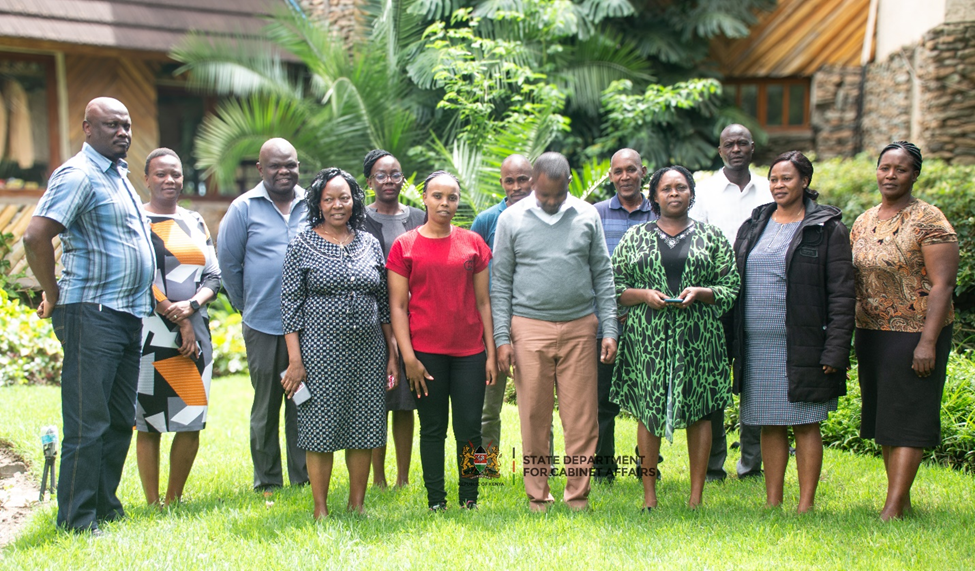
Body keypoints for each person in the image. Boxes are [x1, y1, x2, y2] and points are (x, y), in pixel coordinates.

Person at [23, 97, 155, 533]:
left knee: (119, 419)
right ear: (87, 128)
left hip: (126, 313)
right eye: (112, 125)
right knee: (88, 420)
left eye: (127, 125)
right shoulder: (78, 174)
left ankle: (104, 506)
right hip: (91, 313)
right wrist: (52, 290)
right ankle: (76, 520)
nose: (123, 132)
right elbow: (36, 235)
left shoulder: (119, 177)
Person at [491, 152, 618, 512]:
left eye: (557, 196)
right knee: (533, 416)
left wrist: (609, 328)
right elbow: (500, 282)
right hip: (529, 326)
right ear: (533, 183)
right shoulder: (511, 218)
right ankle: (538, 496)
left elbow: (602, 274)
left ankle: (577, 496)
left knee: (581, 418)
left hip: (580, 325)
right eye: (544, 195)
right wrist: (503, 338)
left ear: (567, 186)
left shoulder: (587, 215)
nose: (550, 203)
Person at [731, 151, 855, 512]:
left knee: (804, 422)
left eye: (787, 178)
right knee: (768, 422)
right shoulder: (756, 223)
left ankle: (805, 504)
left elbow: (843, 294)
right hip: (756, 342)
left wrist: (835, 349)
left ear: (805, 181)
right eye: (773, 179)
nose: (778, 185)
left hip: (802, 342)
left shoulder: (827, 227)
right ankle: (773, 501)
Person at [611, 165, 739, 510]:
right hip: (647, 338)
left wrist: (703, 292)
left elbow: (731, 286)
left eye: (680, 187)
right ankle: (649, 496)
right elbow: (613, 286)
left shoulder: (711, 237)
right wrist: (643, 295)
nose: (673, 193)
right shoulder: (635, 237)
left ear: (691, 194)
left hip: (697, 336)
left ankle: (696, 496)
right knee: (648, 411)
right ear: (654, 196)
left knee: (700, 411)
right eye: (666, 188)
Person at [280, 168, 398, 519]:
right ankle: (320, 508)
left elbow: (384, 305)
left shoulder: (369, 243)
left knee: (363, 426)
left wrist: (392, 354)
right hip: (318, 351)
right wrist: (295, 361)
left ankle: (356, 504)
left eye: (343, 197)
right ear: (318, 203)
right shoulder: (302, 243)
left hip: (368, 352)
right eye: (329, 199)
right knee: (319, 427)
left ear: (354, 200)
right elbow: (289, 305)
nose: (337, 205)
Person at [851, 141, 959, 521]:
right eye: (885, 167)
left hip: (916, 333)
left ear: (915, 174)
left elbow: (944, 285)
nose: (890, 175)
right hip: (872, 332)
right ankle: (902, 497)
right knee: (885, 417)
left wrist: (928, 342)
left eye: (900, 169)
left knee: (909, 415)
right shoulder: (864, 220)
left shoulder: (930, 220)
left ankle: (893, 506)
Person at [388, 171, 496, 511]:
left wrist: (491, 354)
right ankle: (436, 500)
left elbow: (484, 302)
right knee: (432, 429)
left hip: (470, 353)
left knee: (470, 431)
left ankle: (470, 498)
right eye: (437, 196)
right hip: (425, 356)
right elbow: (398, 306)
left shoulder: (473, 243)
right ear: (425, 198)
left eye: (451, 197)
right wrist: (408, 358)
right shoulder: (405, 245)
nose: (444, 203)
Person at [217, 137, 309, 492]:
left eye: (291, 165)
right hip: (263, 324)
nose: (284, 172)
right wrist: (248, 305)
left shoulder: (311, 205)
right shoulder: (243, 208)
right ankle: (268, 480)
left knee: (302, 399)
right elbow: (229, 264)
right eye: (275, 166)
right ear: (260, 169)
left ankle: (302, 477)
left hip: (305, 327)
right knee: (267, 404)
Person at [135, 149, 221, 506]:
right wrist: (176, 313)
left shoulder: (195, 220)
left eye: (175, 174)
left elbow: (214, 276)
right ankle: (152, 500)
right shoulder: (136, 219)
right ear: (147, 179)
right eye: (160, 174)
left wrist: (191, 307)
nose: (169, 181)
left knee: (191, 418)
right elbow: (137, 272)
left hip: (195, 332)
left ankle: (173, 499)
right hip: (150, 331)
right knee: (148, 422)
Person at [689, 124, 771, 481]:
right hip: (713, 299)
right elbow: (696, 244)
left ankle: (751, 463)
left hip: (760, 298)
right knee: (713, 380)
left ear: (752, 149)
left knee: (754, 379)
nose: (736, 149)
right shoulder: (704, 193)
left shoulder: (770, 190)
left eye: (742, 143)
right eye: (729, 145)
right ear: (720, 151)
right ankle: (713, 464)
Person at [360, 148, 425, 489]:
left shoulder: (418, 217)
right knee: (376, 400)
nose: (389, 181)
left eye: (395, 174)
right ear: (369, 182)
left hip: (414, 319)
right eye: (381, 176)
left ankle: (402, 477)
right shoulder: (359, 219)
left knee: (405, 402)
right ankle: (379, 478)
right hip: (372, 322)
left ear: (403, 178)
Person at [591, 148, 657, 483]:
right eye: (618, 171)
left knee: (650, 398)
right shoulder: (596, 214)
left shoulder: (659, 213)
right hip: (605, 322)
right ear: (611, 176)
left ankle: (648, 467)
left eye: (631, 170)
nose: (625, 177)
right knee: (602, 401)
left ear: (643, 171)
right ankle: (603, 470)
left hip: (651, 323)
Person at [472, 154, 533, 458]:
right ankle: (483, 468)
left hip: (534, 321)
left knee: (536, 404)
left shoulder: (545, 214)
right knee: (486, 404)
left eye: (523, 179)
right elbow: (470, 269)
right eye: (510, 180)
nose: (517, 186)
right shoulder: (486, 220)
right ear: (502, 183)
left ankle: (540, 468)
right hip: (492, 323)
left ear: (533, 179)